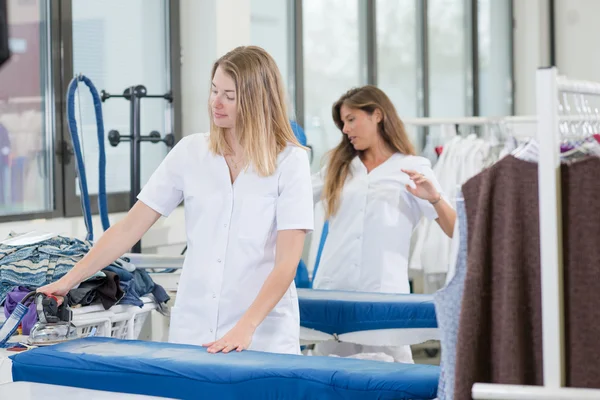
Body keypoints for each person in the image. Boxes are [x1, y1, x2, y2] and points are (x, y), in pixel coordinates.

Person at [38, 46, 314, 355]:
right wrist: (69, 280)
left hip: (262, 331)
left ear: (256, 100)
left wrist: (246, 327)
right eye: (214, 91)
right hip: (195, 325)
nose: (216, 103)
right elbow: (129, 228)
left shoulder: (290, 161)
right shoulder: (190, 152)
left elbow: (287, 263)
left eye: (229, 96)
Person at [311, 85, 456, 363]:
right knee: (330, 380)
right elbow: (294, 199)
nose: (345, 129)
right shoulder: (337, 166)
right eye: (342, 123)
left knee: (393, 381)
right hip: (335, 289)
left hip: (384, 295)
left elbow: (454, 230)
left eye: (351, 119)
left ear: (377, 115)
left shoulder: (413, 167)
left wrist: (435, 198)